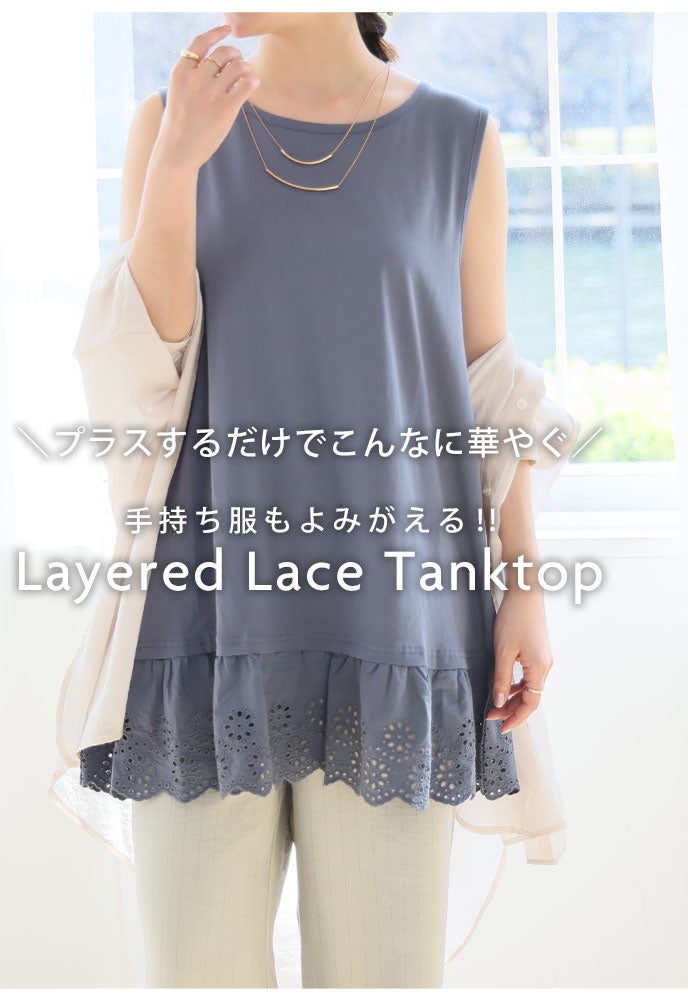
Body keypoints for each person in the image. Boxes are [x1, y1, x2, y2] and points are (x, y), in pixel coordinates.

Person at [74, 11, 562, 989]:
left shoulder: (457, 140)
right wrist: (179, 163)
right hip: (204, 624)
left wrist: (523, 583)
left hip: (399, 624)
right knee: (197, 978)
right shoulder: (169, 119)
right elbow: (142, 363)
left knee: (384, 978)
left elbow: (486, 384)